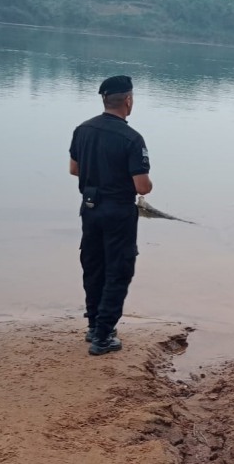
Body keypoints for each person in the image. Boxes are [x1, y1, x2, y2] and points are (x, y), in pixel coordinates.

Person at [69, 75, 153, 355]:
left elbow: (74, 169)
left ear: (104, 100)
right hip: (118, 211)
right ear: (128, 101)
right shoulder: (132, 138)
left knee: (94, 266)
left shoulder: (83, 130)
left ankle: (94, 325)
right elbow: (142, 186)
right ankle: (103, 336)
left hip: (90, 208)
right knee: (118, 270)